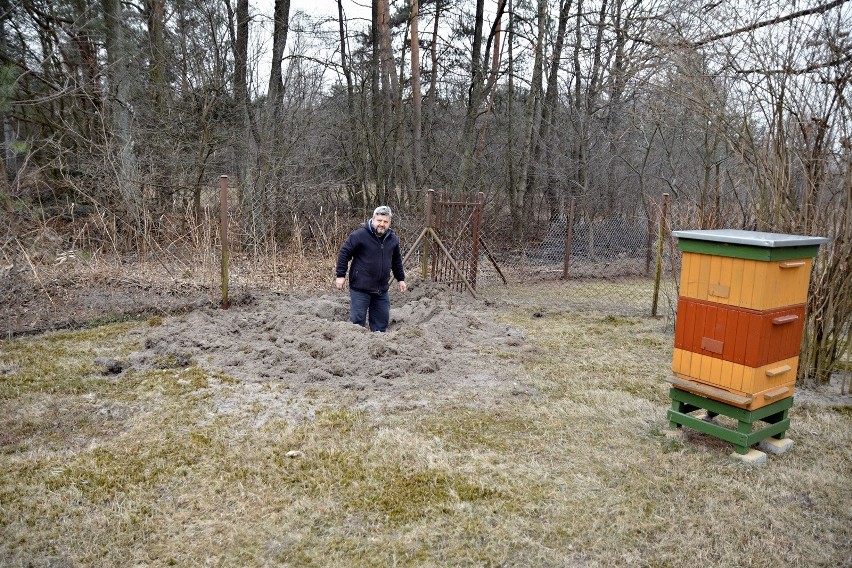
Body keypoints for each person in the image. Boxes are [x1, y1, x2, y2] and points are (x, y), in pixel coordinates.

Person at [335, 205, 407, 332]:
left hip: (381, 290)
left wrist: (400, 278)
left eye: (385, 222)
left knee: (381, 323)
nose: (382, 224)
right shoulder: (360, 235)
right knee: (357, 323)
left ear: (389, 223)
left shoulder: (392, 240)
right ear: (373, 219)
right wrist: (341, 275)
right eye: (379, 220)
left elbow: (396, 260)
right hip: (360, 288)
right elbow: (344, 252)